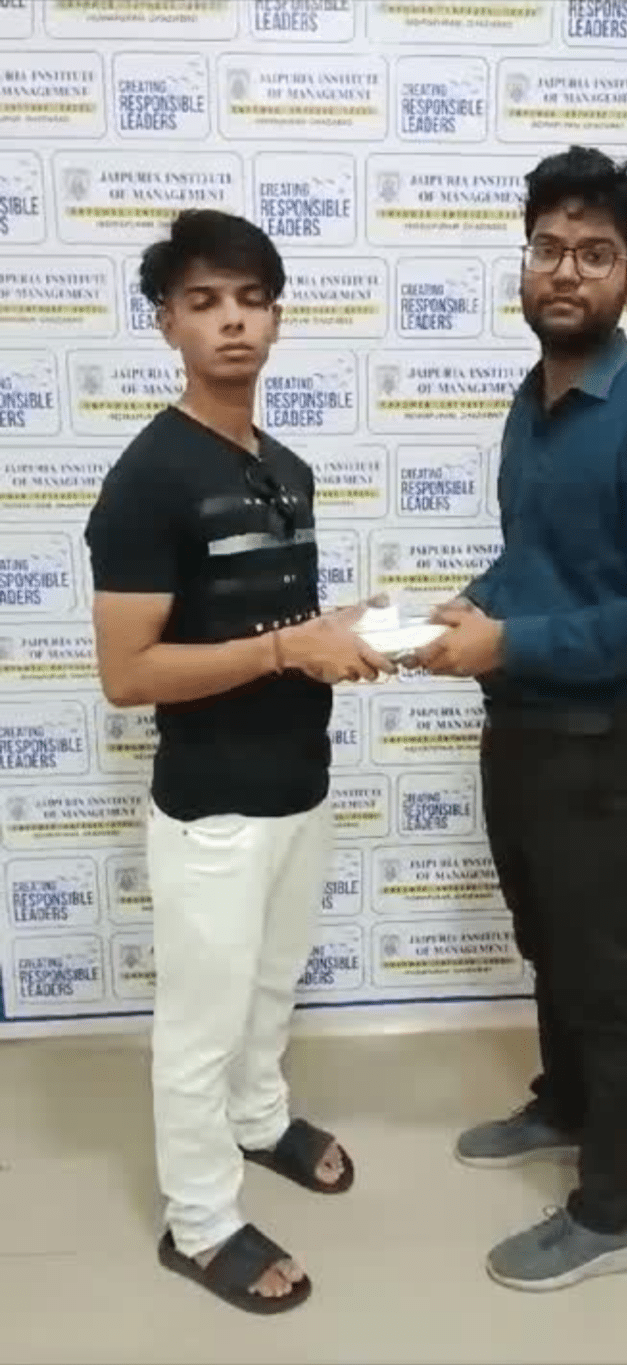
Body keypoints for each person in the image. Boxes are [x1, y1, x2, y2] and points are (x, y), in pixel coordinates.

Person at [415, 146, 627, 1292]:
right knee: (545, 941)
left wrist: (513, 643)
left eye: (596, 253)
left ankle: (608, 1215)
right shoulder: (533, 400)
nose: (566, 270)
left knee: (600, 972)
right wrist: (473, 607)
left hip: (601, 751)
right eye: (549, 246)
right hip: (519, 732)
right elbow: (535, 562)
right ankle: (564, 1105)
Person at [85, 209, 393, 1314]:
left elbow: (278, 627)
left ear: (276, 318)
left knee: (270, 987)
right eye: (204, 301)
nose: (232, 322)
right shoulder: (147, 478)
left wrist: (347, 634)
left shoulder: (285, 468)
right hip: (212, 806)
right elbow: (128, 672)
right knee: (199, 1026)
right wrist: (286, 649)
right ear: (166, 322)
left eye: (252, 300)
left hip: (300, 785)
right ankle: (200, 1220)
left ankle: (260, 1120)